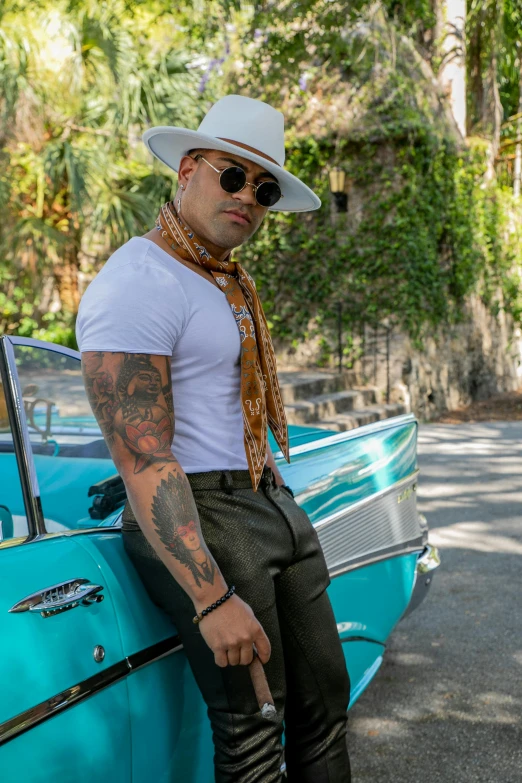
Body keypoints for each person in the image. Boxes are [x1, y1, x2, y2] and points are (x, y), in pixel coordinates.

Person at [77, 94, 351, 783]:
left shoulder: (225, 281)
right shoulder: (139, 281)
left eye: (264, 189)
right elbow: (141, 457)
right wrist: (210, 596)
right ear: (189, 169)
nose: (249, 199)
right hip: (204, 515)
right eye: (233, 176)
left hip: (267, 500)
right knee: (256, 731)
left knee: (324, 709)